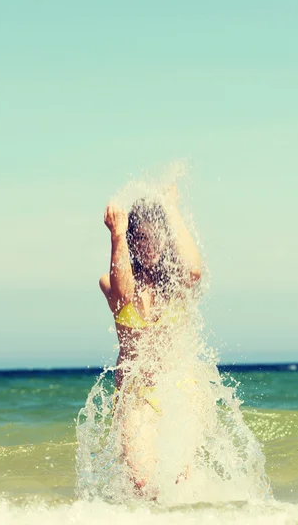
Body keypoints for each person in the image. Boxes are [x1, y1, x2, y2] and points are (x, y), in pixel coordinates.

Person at [98, 185, 202, 495]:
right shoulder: (111, 280)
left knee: (181, 480)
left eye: (155, 236)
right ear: (132, 241)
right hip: (137, 395)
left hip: (180, 387)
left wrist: (171, 206)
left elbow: (195, 270)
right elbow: (124, 295)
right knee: (143, 483)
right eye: (141, 237)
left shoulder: (176, 280)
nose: (149, 244)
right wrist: (116, 233)